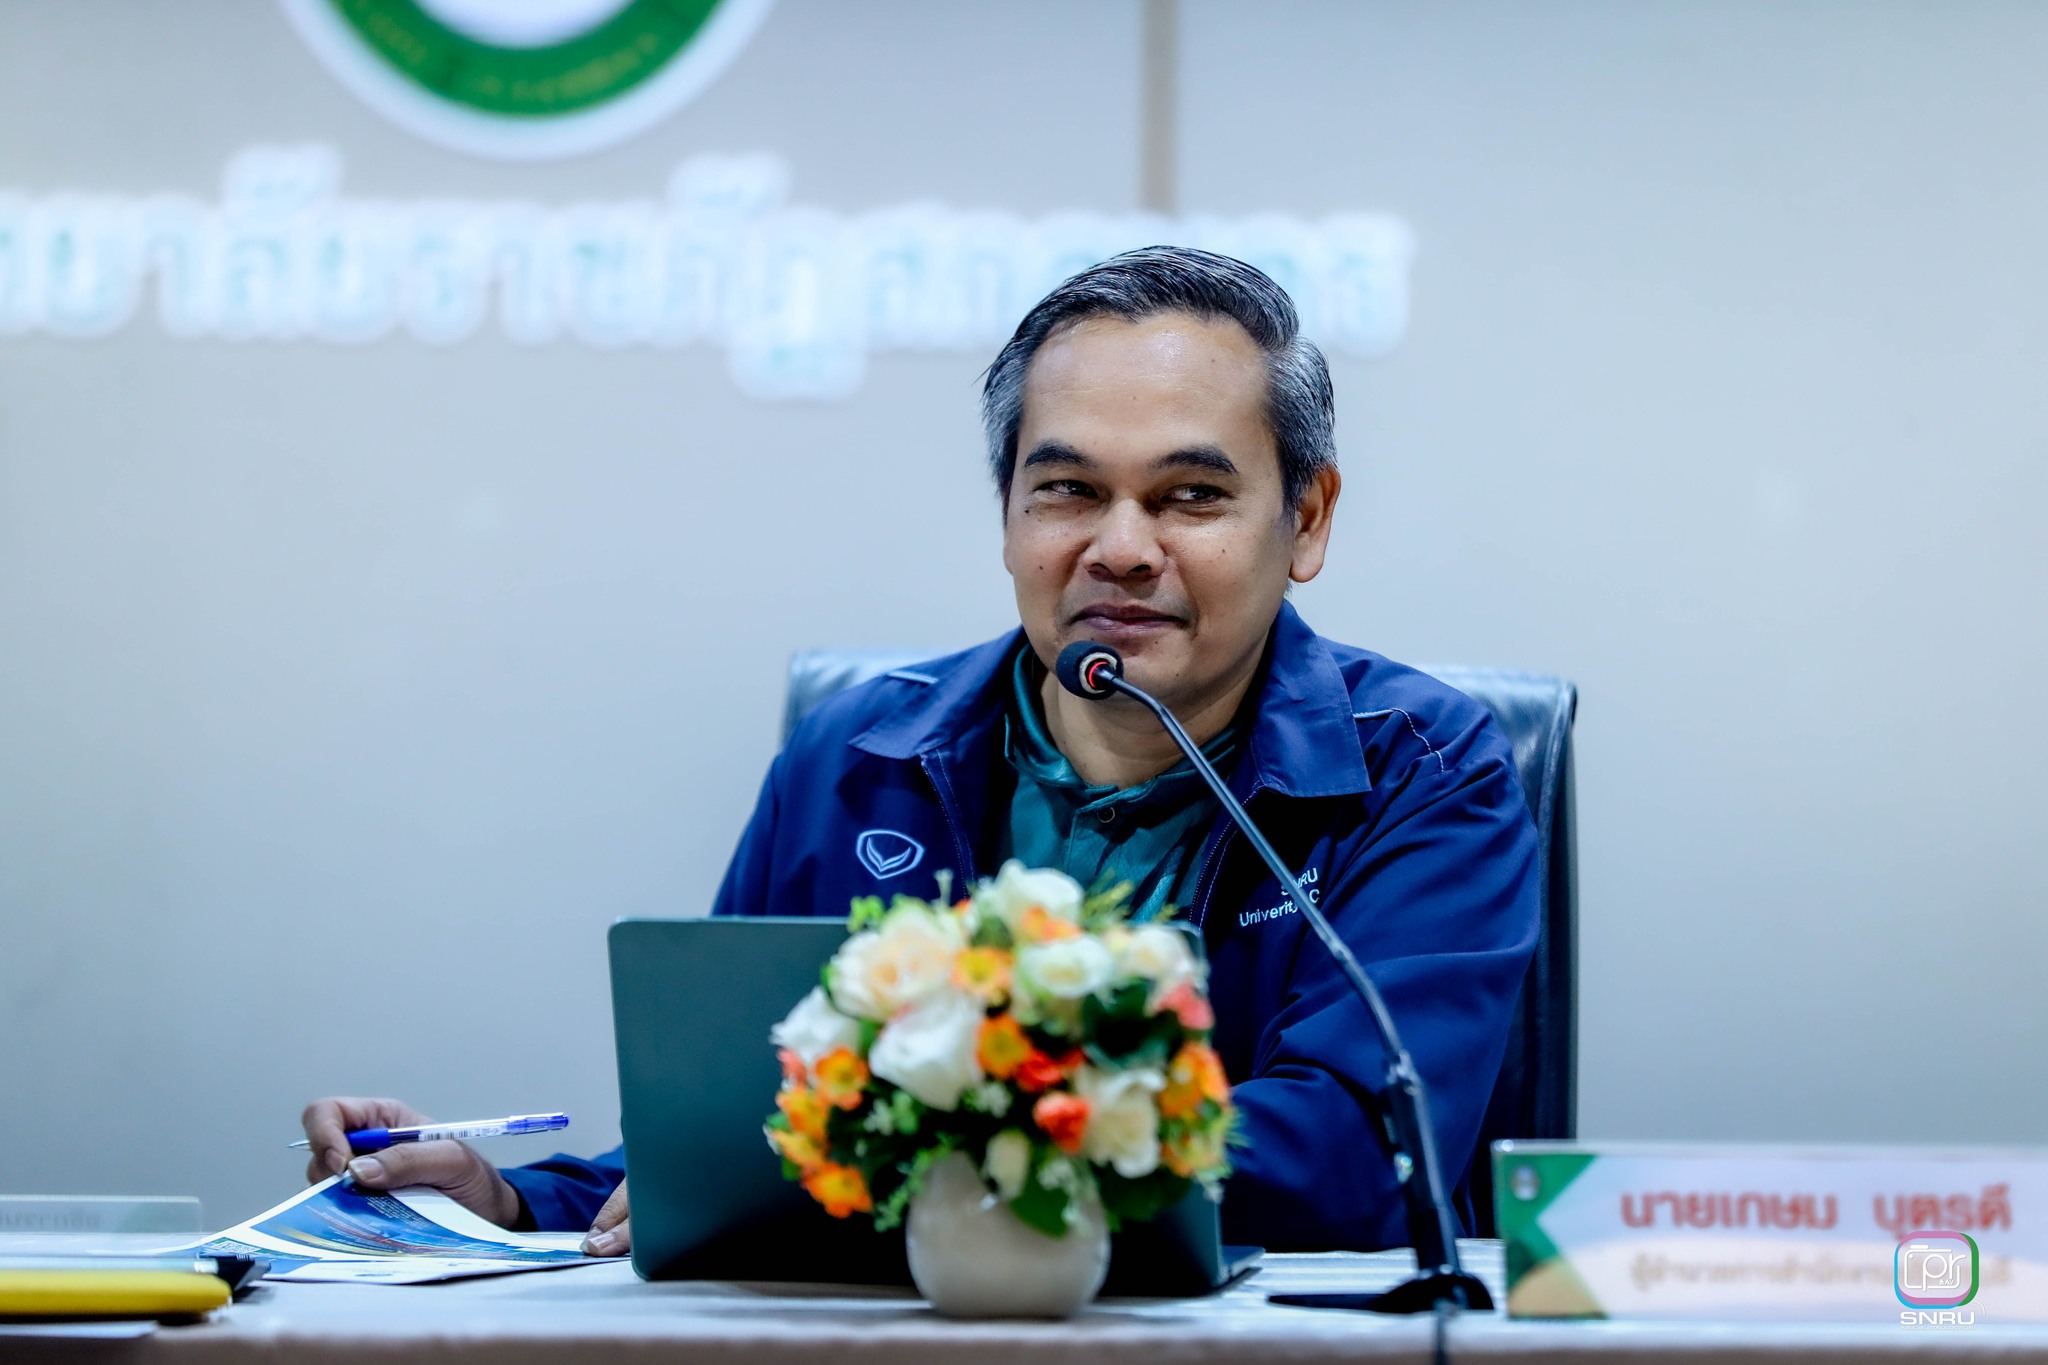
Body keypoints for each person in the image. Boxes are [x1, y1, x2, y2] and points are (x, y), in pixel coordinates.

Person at [301, 246, 1540, 1257]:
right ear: (1007, 515)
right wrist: (510, 1203)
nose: (1119, 548)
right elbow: (742, 1139)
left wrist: (902, 1158)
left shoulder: (1426, 772)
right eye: (1066, 491)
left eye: (1188, 497)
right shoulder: (857, 760)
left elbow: (1351, 1154)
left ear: (1305, 519)